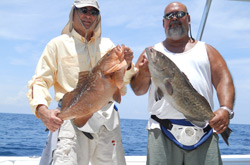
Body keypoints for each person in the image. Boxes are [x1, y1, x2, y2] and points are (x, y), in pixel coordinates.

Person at [27, 0, 137, 164]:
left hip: (107, 121)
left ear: (98, 17)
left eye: (94, 12)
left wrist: (127, 65)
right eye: (83, 10)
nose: (88, 16)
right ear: (73, 13)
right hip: (72, 120)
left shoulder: (108, 45)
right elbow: (40, 80)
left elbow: (122, 88)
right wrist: (42, 110)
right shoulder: (57, 44)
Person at [130, 2, 235, 165]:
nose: (174, 18)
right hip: (161, 131)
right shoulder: (150, 54)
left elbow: (223, 80)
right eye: (168, 16)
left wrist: (225, 109)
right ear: (163, 23)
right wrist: (143, 74)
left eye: (179, 14)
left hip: (204, 131)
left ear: (189, 19)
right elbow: (137, 90)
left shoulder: (207, 50)